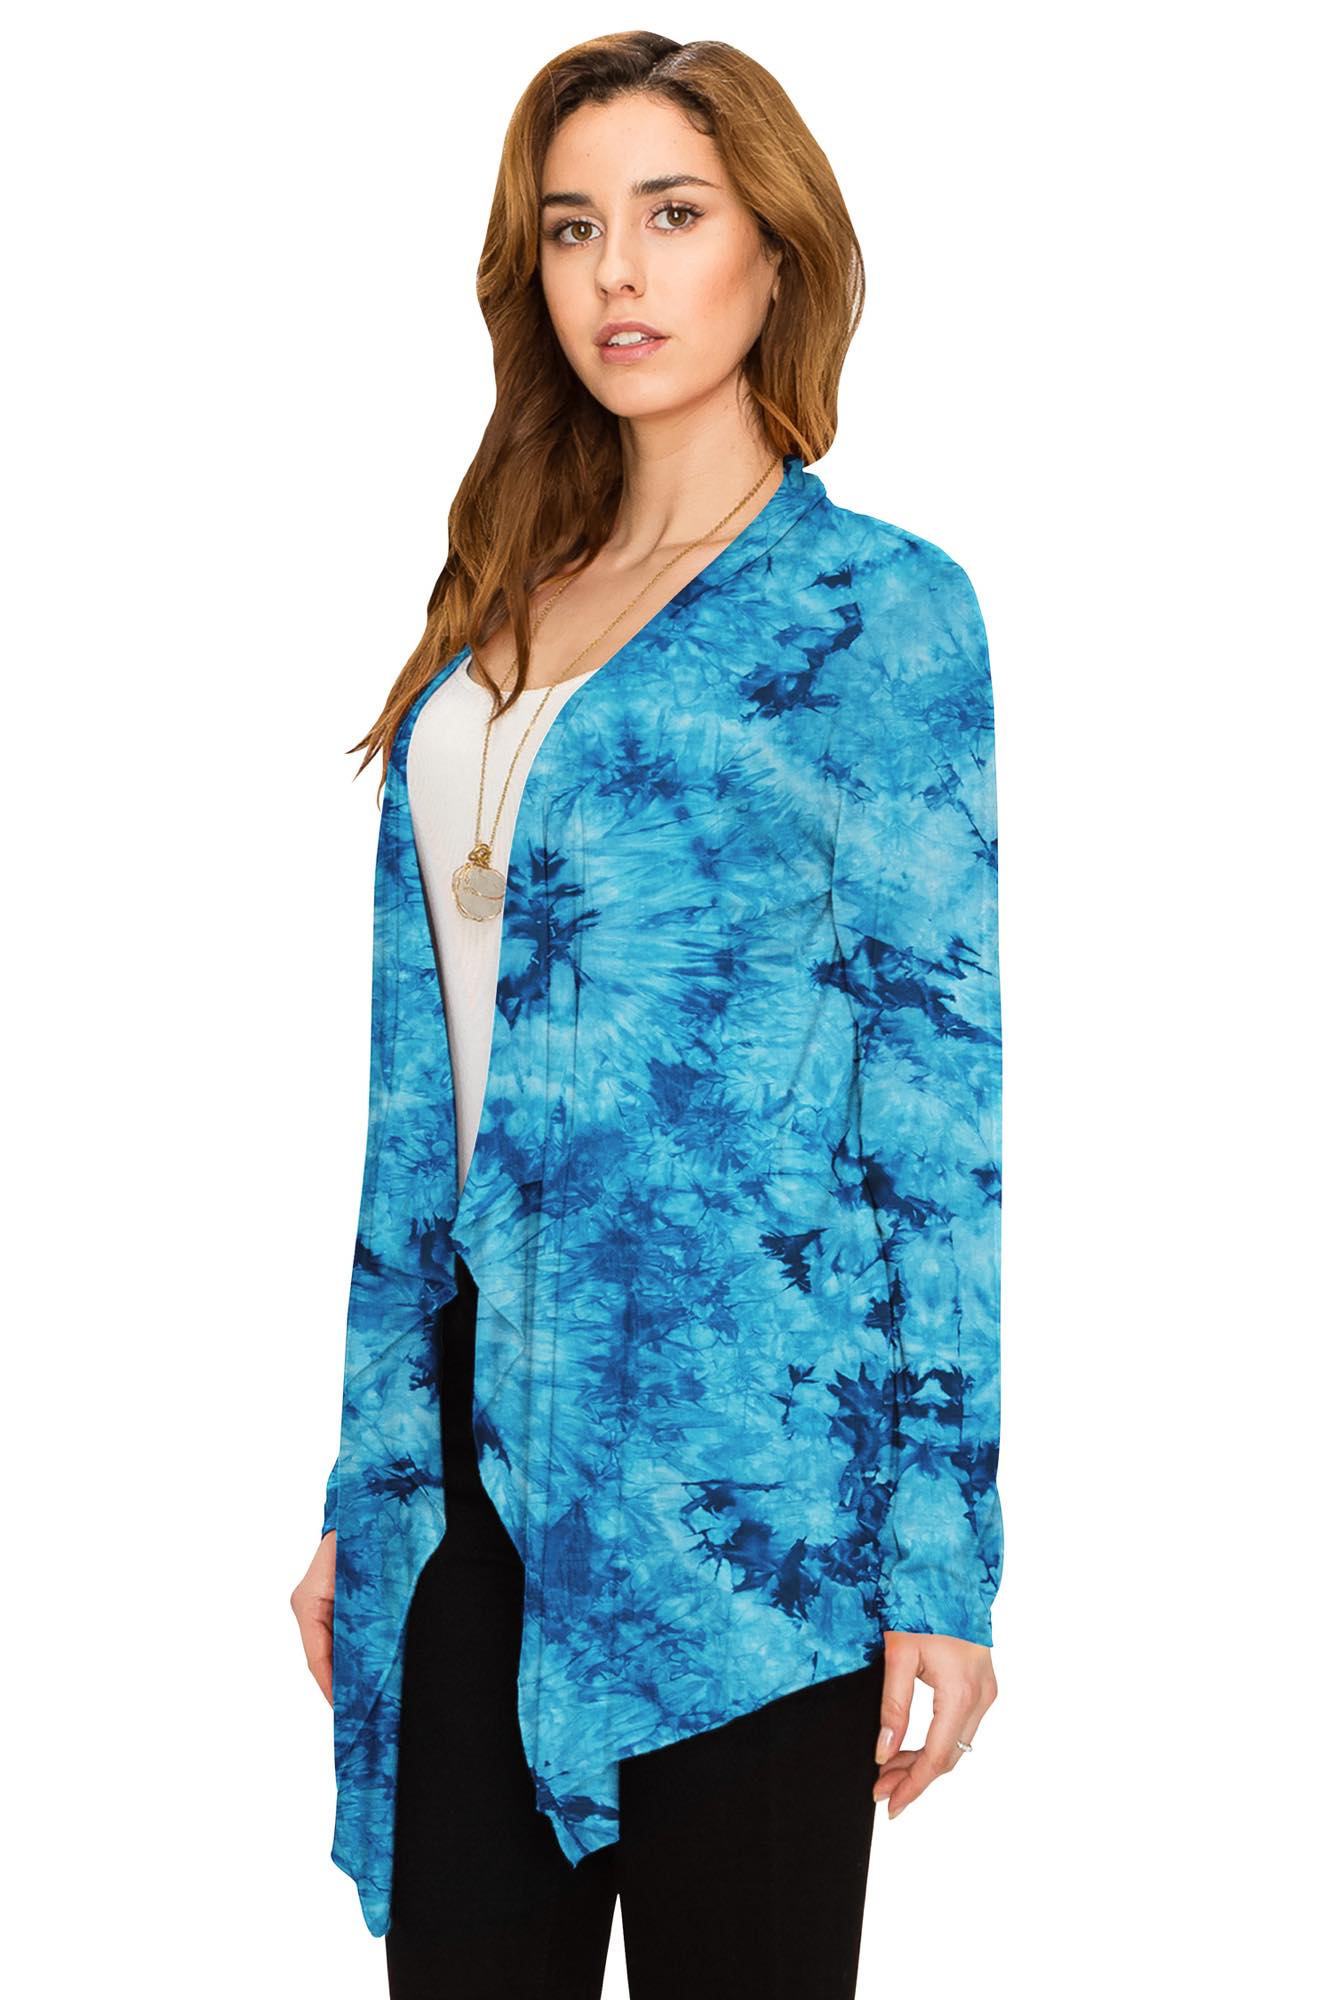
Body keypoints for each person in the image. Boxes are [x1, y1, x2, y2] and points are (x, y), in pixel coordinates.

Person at [291, 30, 1003, 1998]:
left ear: (775, 252)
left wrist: (941, 1556)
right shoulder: (486, 614)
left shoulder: (874, 613)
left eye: (671, 216)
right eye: (570, 226)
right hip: (464, 1468)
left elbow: (934, 1102)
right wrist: (367, 1475)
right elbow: (413, 1098)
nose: (616, 270)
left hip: (746, 1486)